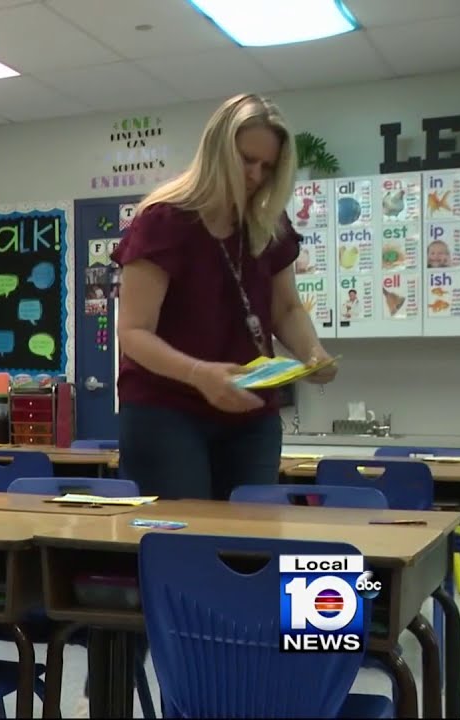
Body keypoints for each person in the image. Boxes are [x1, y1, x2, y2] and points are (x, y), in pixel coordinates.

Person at [112, 93, 337, 501]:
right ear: (217, 151)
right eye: (246, 160)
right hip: (166, 408)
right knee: (185, 530)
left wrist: (312, 352)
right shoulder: (163, 221)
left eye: (267, 167)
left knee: (252, 529)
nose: (255, 175)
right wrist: (200, 374)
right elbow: (133, 332)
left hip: (250, 410)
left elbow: (286, 308)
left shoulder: (268, 224)